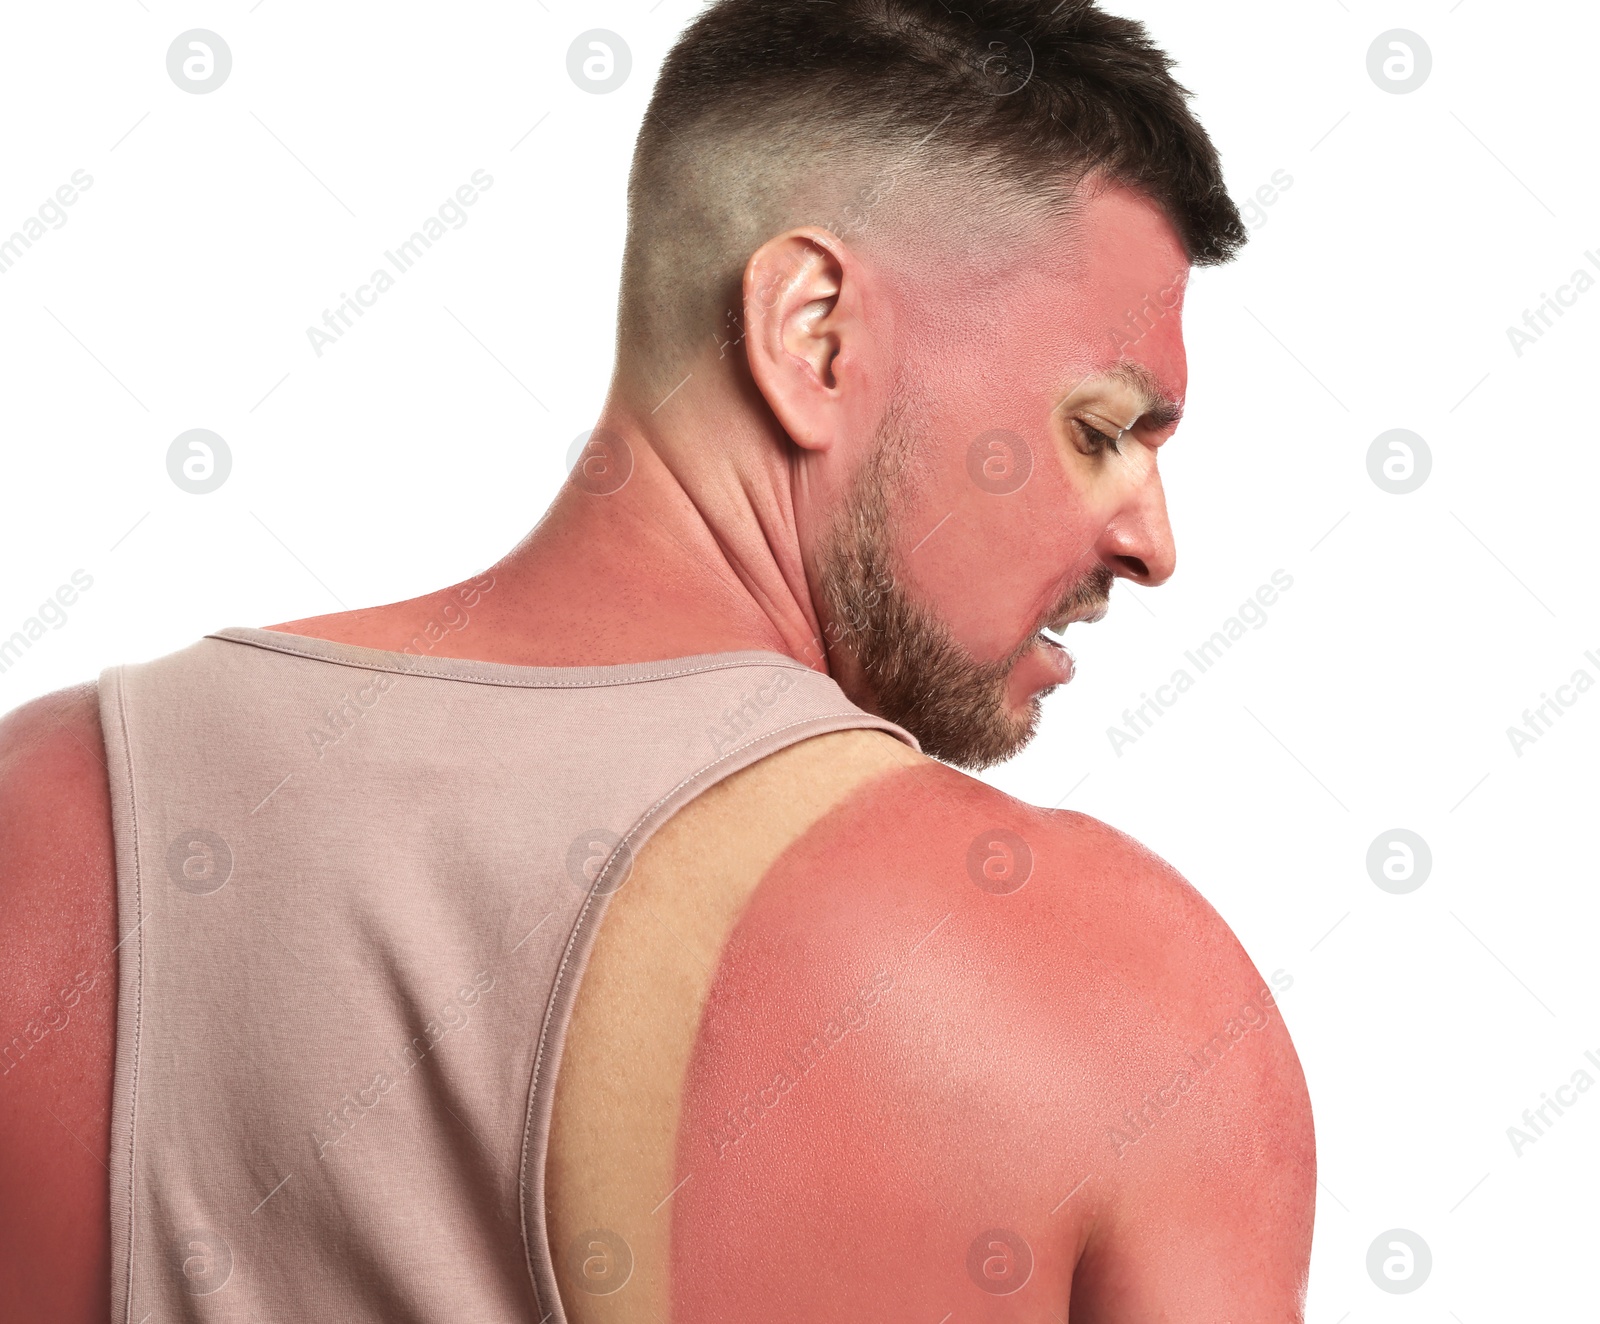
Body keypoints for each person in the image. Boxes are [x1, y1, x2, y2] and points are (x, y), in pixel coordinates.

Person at [0, 1, 1314, 1319]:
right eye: (1100, 431)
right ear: (814, 335)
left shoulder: (48, 808)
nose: (1151, 543)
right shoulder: (1125, 998)